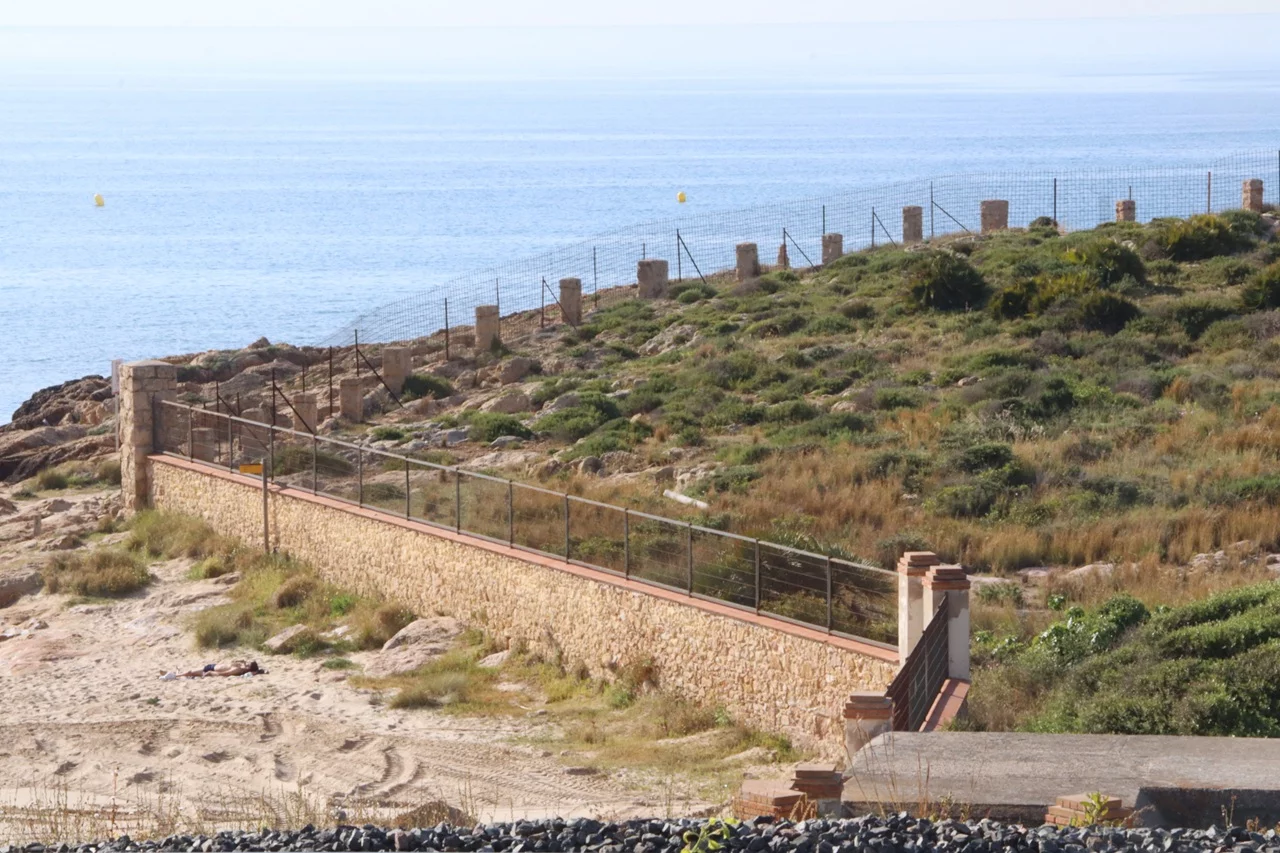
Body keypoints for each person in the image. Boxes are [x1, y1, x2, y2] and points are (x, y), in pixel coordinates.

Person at [161, 660, 264, 679]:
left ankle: (174, 675)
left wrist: (211, 672)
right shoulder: (241, 667)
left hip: (211, 669)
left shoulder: (238, 671)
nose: (246, 664)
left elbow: (225, 673)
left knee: (190, 672)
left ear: (249, 668)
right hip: (211, 666)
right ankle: (176, 673)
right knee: (191, 672)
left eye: (248, 665)